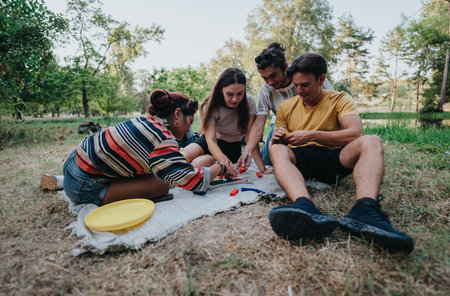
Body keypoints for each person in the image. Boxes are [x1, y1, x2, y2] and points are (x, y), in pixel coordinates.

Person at [267, 53, 414, 253]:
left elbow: (355, 132)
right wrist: (279, 139)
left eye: (305, 85)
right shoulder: (286, 107)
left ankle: (365, 210)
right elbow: (277, 144)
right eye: (296, 85)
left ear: (321, 79)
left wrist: (311, 135)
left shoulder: (340, 99)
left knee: (372, 140)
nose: (299, 91)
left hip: (332, 159)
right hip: (300, 160)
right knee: (275, 148)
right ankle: (304, 205)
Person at [50, 89, 226, 206]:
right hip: (83, 188)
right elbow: (191, 181)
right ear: (178, 114)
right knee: (163, 185)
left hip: (73, 164)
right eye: (190, 122)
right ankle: (80, 189)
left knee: (154, 173)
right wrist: (221, 166)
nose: (190, 129)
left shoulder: (146, 121)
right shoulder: (163, 139)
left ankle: (64, 181)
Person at [237, 42, 333, 171]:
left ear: (285, 67)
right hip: (282, 128)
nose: (270, 82)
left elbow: (331, 104)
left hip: (313, 125)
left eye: (273, 75)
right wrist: (248, 149)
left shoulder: (305, 75)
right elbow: (259, 124)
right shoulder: (265, 90)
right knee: (268, 159)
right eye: (265, 78)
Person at [183, 67, 267, 177]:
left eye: (240, 93)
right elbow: (211, 140)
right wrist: (224, 162)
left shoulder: (249, 101)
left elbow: (249, 136)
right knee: (182, 157)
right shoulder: (210, 105)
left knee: (197, 165)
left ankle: (215, 167)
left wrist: (262, 168)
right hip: (210, 142)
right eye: (230, 94)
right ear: (221, 89)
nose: (235, 99)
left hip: (231, 148)